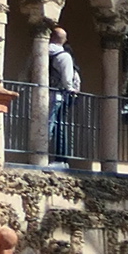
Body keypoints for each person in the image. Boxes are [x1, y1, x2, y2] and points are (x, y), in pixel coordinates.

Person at [43, 26, 80, 162]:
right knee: (54, 124)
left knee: (43, 124)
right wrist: (71, 90)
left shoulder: (40, 52)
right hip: (57, 95)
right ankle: (57, 158)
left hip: (41, 94)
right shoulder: (64, 56)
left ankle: (39, 155)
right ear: (64, 40)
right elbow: (66, 79)